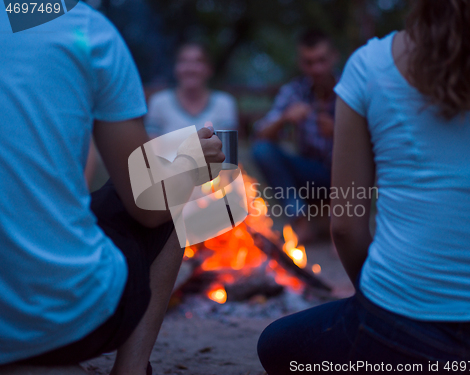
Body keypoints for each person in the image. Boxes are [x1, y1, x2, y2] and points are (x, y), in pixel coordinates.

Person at [258, 0, 470, 373]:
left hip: (399, 325)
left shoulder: (370, 66)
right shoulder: (300, 92)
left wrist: (379, 301)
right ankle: (302, 216)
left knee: (276, 344)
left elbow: (347, 225)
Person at [0, 3, 224, 375]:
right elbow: (148, 208)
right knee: (173, 182)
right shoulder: (88, 33)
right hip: (62, 317)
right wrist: (190, 163)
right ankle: (132, 370)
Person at [251, 29, 339, 243]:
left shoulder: (350, 89)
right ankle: (300, 221)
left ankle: (341, 230)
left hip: (346, 174)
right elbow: (260, 133)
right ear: (301, 63)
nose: (316, 69)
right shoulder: (295, 91)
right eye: (309, 63)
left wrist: (339, 133)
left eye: (321, 61)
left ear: (334, 58)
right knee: (262, 150)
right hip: (310, 173)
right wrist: (285, 119)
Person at [145, 42, 238, 138]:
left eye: (198, 62)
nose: (190, 68)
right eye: (183, 61)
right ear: (175, 68)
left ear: (209, 69)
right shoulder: (159, 102)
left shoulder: (224, 103)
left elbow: (226, 147)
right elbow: (152, 147)